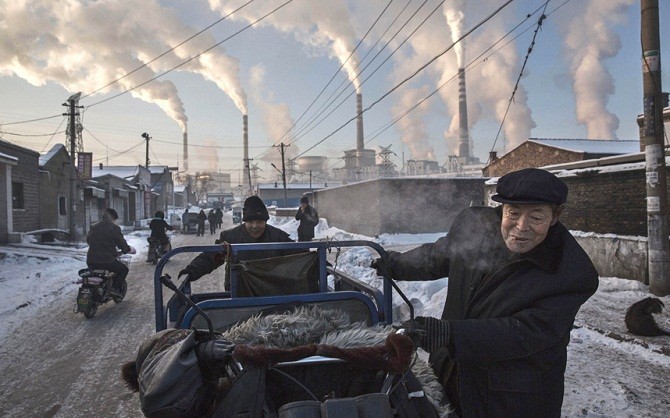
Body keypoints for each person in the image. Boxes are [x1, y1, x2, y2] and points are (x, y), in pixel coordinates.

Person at [371, 168, 599, 417]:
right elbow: (438, 256)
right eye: (514, 213)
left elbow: (525, 332)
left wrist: (449, 334)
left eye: (536, 217)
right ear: (502, 209)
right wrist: (392, 264)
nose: (521, 227)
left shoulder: (572, 273)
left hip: (510, 398)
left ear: (556, 215)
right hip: (450, 374)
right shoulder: (476, 227)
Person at [179, 195, 297, 289]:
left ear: (266, 221)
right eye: (250, 222)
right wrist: (191, 271)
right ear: (244, 221)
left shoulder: (278, 237)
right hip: (238, 294)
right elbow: (211, 258)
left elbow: (300, 255)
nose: (255, 226)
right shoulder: (230, 238)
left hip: (269, 293)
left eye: (259, 222)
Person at [86, 208, 136, 298]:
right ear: (113, 218)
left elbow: (89, 241)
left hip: (91, 260)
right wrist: (126, 249)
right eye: (114, 220)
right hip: (107, 261)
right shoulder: (114, 228)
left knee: (93, 273)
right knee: (123, 269)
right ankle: (114, 289)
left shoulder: (94, 226)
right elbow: (122, 244)